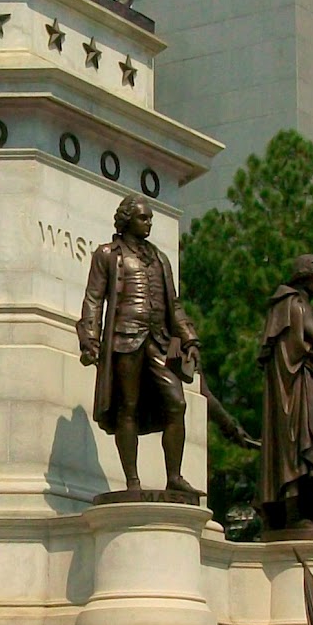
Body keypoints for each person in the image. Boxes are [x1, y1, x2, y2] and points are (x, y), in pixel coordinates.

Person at [77, 194, 199, 494]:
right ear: (127, 219)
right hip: (124, 339)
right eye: (143, 218)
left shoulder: (159, 258)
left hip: (160, 341)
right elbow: (94, 298)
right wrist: (90, 338)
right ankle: (132, 480)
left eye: (150, 219)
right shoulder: (107, 254)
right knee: (127, 407)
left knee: (177, 403)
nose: (149, 223)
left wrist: (190, 338)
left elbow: (174, 304)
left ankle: (174, 476)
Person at [258, 254, 313, 530]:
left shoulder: (289, 304)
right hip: (298, 390)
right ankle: (297, 514)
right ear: (308, 276)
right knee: (302, 449)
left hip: (304, 385)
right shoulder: (295, 304)